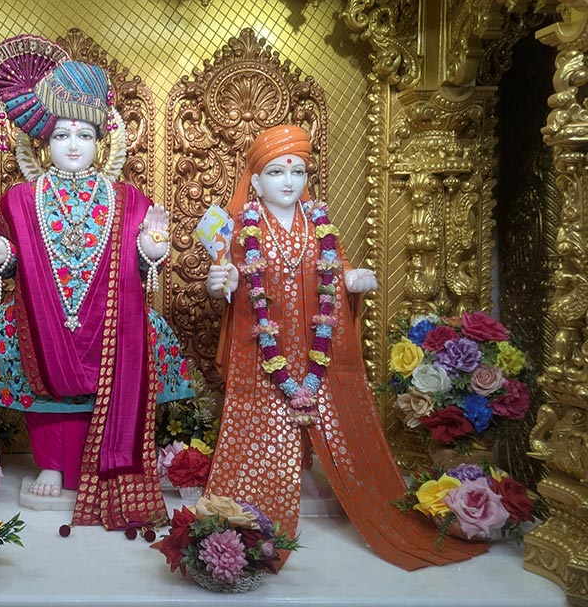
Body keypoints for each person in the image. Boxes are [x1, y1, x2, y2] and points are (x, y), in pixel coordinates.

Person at [203, 124, 486, 569]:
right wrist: (222, 283)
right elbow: (233, 274)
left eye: (297, 171)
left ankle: (316, 474)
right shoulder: (240, 228)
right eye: (276, 172)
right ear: (255, 181)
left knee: (326, 405)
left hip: (315, 343)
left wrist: (353, 279)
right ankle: (258, 507)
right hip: (264, 348)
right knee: (264, 419)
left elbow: (337, 265)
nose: (288, 181)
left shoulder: (319, 224)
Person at [0, 35, 193, 531]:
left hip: (111, 315)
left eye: (83, 134)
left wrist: (153, 251)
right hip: (41, 309)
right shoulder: (18, 198)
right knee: (36, 366)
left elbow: (145, 259)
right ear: (43, 142)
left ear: (101, 140)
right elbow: (10, 261)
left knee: (117, 361)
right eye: (61, 136)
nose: (73, 145)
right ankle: (54, 464)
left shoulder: (129, 197)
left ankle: (96, 463)